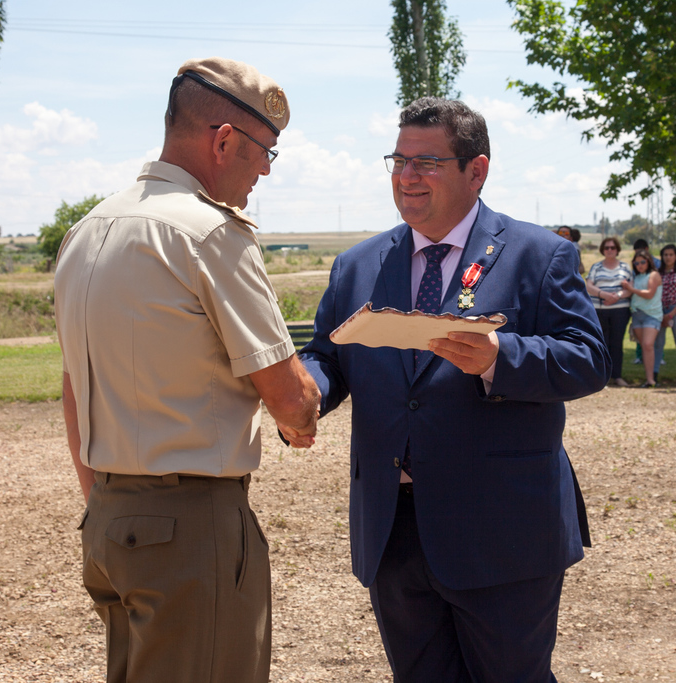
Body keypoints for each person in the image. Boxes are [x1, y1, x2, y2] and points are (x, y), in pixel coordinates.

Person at [295, 97, 610, 682]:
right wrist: (308, 388)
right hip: (394, 526)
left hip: (502, 528)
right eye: (399, 160)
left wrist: (501, 357)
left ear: (477, 170)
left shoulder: (540, 255)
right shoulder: (358, 265)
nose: (407, 176)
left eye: (427, 162)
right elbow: (327, 355)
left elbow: (589, 360)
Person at [53, 57, 321, 683]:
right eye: (264, 152)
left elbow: (73, 386)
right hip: (191, 524)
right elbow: (289, 399)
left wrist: (101, 500)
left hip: (111, 517)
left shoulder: (87, 231)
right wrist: (305, 413)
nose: (263, 172)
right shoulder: (209, 234)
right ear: (224, 139)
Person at [585, 236, 633, 387]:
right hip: (600, 310)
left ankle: (617, 376)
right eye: (607, 248)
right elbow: (588, 286)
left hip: (620, 310)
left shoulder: (625, 268)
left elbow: (630, 288)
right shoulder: (596, 267)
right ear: (602, 250)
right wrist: (603, 295)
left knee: (617, 343)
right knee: (601, 343)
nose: (610, 250)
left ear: (617, 249)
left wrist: (617, 296)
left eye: (613, 247)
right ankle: (602, 378)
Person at [621, 249, 663, 387]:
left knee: (647, 344)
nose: (640, 265)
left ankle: (651, 380)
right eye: (637, 262)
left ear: (648, 262)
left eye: (643, 262)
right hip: (637, 314)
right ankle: (648, 378)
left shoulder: (654, 275)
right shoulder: (636, 277)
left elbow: (650, 294)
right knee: (644, 347)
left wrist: (631, 289)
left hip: (651, 314)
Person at [653, 244, 676, 386]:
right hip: (660, 310)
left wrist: (671, 314)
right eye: (665, 255)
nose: (668, 257)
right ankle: (654, 374)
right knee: (659, 344)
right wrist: (662, 314)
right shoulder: (658, 272)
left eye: (671, 254)